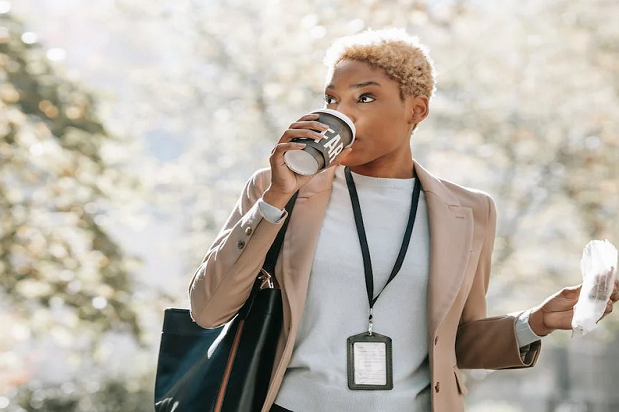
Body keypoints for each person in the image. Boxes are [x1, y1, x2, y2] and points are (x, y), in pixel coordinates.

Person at [187, 29, 619, 412]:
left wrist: (536, 322)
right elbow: (209, 309)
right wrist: (278, 195)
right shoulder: (281, 189)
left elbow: (457, 343)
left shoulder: (471, 211)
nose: (344, 112)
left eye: (365, 97)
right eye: (332, 99)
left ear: (416, 110)